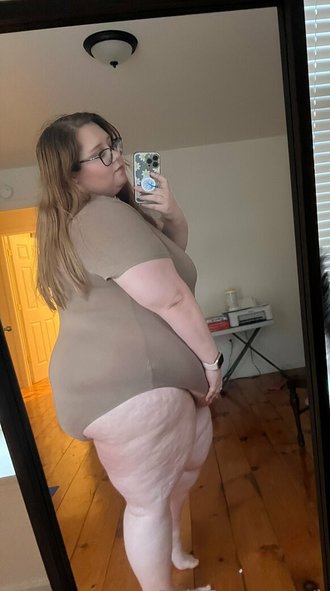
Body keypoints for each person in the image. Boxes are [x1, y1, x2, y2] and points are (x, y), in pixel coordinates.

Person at [35, 112, 222, 591]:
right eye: (100, 154)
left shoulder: (102, 217)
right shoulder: (100, 215)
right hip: (129, 385)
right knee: (147, 504)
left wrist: (171, 212)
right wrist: (211, 361)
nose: (117, 156)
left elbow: (174, 265)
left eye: (113, 143)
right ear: (71, 175)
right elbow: (171, 297)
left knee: (182, 471)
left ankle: (173, 548)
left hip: (139, 380)